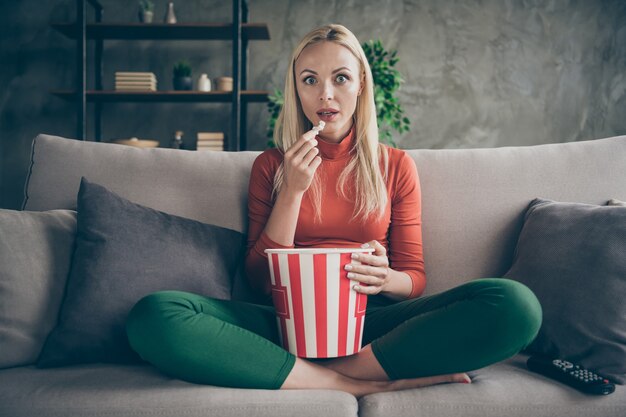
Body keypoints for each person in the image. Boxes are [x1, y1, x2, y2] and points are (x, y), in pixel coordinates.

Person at [126, 24, 542, 398]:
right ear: (297, 90)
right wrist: (290, 192)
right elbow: (257, 282)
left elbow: (414, 279)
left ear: (361, 84)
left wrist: (385, 278)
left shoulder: (395, 166)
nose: (325, 94)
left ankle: (329, 372)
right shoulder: (271, 166)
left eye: (340, 78)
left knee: (516, 305)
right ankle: (345, 383)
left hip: (372, 327)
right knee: (155, 315)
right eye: (310, 80)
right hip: (284, 325)